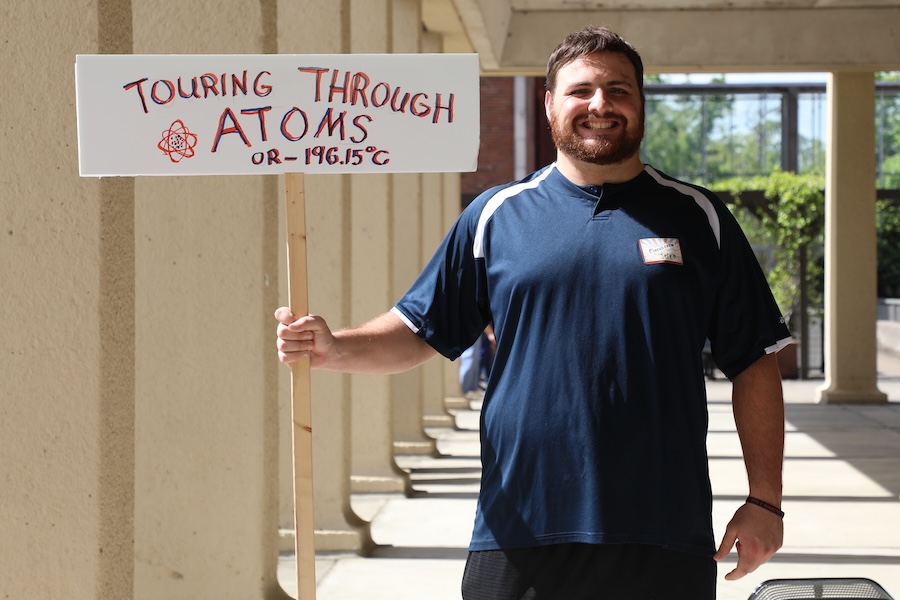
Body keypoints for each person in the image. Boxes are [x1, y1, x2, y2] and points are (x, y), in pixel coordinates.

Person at [276, 25, 791, 600]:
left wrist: (764, 500)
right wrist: (335, 347)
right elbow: (422, 330)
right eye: (581, 90)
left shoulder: (701, 217)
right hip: (518, 529)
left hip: (663, 530)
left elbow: (754, 362)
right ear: (549, 104)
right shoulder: (495, 216)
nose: (600, 105)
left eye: (619, 90)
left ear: (642, 102)